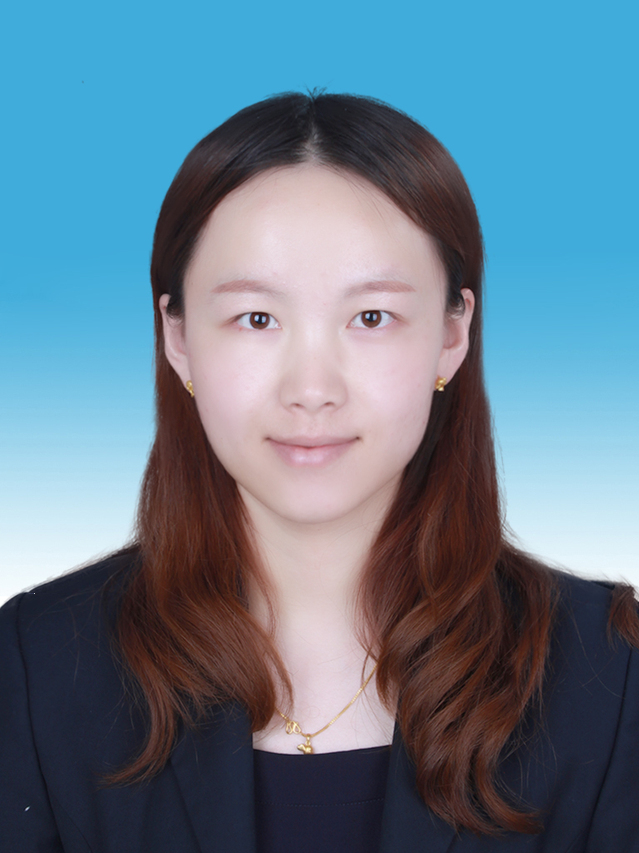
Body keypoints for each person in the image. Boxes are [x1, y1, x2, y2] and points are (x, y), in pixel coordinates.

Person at [1, 91, 638, 853]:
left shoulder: (607, 673)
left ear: (451, 333)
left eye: (370, 317)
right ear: (178, 337)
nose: (311, 388)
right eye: (256, 318)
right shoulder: (38, 666)